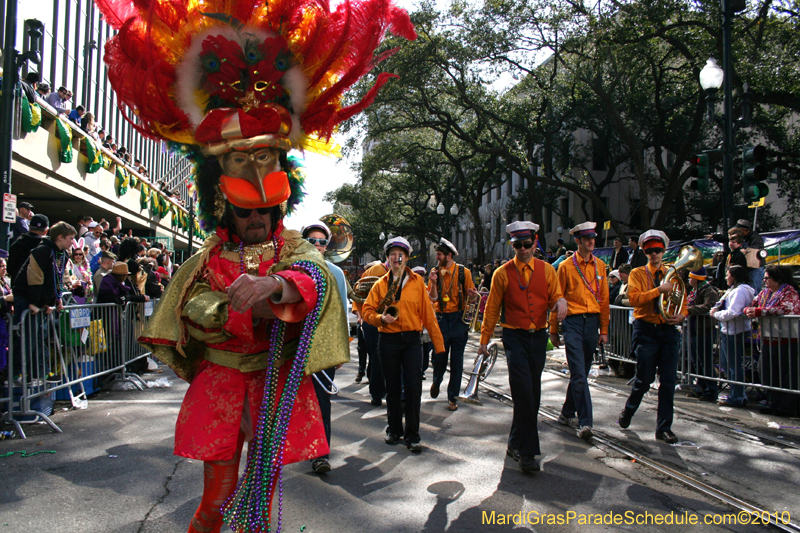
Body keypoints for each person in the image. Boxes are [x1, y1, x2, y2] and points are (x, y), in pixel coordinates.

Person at [479, 221, 567, 473]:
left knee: (533, 394)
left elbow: (554, 298)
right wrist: (484, 341)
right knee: (523, 392)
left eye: (527, 244)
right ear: (512, 245)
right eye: (518, 245)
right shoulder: (501, 273)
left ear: (535, 242)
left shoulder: (548, 270)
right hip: (514, 337)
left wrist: (559, 304)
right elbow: (492, 309)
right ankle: (528, 454)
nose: (523, 249)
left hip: (538, 337)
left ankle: (515, 441)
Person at [362, 237, 445, 453]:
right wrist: (381, 319)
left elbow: (428, 315)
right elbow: (367, 311)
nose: (396, 259)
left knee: (413, 387)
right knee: (392, 388)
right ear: (387, 259)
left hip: (411, 340)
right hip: (388, 340)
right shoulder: (380, 285)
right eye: (392, 255)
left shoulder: (418, 283)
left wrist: (439, 347)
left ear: (406, 258)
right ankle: (394, 429)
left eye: (401, 255)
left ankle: (413, 435)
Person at [617, 230, 686, 444]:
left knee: (668, 381)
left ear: (664, 250)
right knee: (644, 379)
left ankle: (664, 428)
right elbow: (635, 299)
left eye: (657, 250)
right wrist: (659, 290)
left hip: (667, 330)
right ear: (645, 252)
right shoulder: (638, 273)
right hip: (646, 329)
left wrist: (683, 314)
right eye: (649, 251)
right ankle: (628, 411)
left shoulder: (672, 272)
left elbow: (683, 299)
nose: (654, 254)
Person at [549, 222, 609, 440]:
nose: (591, 241)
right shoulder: (565, 266)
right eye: (586, 238)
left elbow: (604, 301)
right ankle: (585, 421)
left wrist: (604, 329)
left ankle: (566, 411)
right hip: (573, 322)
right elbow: (558, 299)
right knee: (579, 371)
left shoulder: (601, 266)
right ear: (577, 241)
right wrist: (553, 328)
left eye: (593, 237)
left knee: (581, 371)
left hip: (592, 323)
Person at [302, 221, 352, 474]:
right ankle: (299, 445)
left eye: (322, 241)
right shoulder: (293, 269)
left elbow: (342, 312)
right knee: (296, 402)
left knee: (322, 401)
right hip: (295, 347)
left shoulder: (336, 273)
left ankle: (320, 454)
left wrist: (341, 348)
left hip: (323, 347)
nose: (318, 245)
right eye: (313, 241)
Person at [11, 222, 77, 378]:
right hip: (27, 298)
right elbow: (35, 278)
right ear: (60, 237)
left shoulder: (62, 254)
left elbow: (58, 278)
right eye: (70, 238)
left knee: (42, 338)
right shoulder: (42, 251)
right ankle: (17, 373)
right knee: (27, 339)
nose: (72, 242)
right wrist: (35, 303)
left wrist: (57, 299)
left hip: (43, 301)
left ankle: (41, 372)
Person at [427, 238, 478, 411]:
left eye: (439, 255)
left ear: (449, 255)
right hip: (441, 320)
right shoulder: (434, 272)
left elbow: (473, 298)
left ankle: (452, 397)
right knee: (439, 358)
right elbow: (432, 298)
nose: (437, 258)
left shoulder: (464, 273)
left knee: (457, 362)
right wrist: (433, 282)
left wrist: (472, 295)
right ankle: (436, 381)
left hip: (458, 320)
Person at [745, 265, 800, 417]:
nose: (764, 281)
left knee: (787, 375)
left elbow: (786, 309)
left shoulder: (789, 292)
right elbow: (752, 304)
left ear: (777, 279)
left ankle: (786, 406)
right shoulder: (765, 293)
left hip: (787, 340)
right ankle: (772, 402)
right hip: (768, 339)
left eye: (767, 278)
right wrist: (748, 310)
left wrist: (760, 311)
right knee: (767, 373)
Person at [710, 265, 755, 408]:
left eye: (727, 274)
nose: (725, 277)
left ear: (734, 276)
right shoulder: (733, 290)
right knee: (727, 363)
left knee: (734, 365)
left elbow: (733, 312)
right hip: (728, 330)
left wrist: (715, 315)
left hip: (735, 331)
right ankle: (736, 393)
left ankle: (738, 396)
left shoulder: (741, 291)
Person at [355, 258, 390, 403]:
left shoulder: (405, 273)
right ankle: (376, 393)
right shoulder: (373, 271)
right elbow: (359, 293)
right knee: (376, 357)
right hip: (373, 320)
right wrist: (361, 316)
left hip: (393, 321)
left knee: (391, 358)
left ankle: (392, 392)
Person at [684, 267, 720, 402]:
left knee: (705, 361)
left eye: (690, 277)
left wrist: (689, 310)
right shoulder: (695, 291)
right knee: (696, 361)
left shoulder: (709, 290)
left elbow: (708, 306)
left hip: (704, 329)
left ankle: (711, 390)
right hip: (693, 329)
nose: (689, 280)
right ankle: (700, 388)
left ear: (697, 279)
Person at [7, 214, 49, 281]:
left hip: (18, 285)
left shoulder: (17, 244)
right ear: (46, 231)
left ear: (29, 227)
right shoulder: (47, 247)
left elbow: (10, 269)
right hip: (38, 287)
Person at [735, 219, 766, 292]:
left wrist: (745, 247)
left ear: (744, 229)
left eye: (738, 230)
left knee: (754, 289)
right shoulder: (742, 237)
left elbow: (757, 248)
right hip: (746, 266)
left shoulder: (755, 237)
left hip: (755, 267)